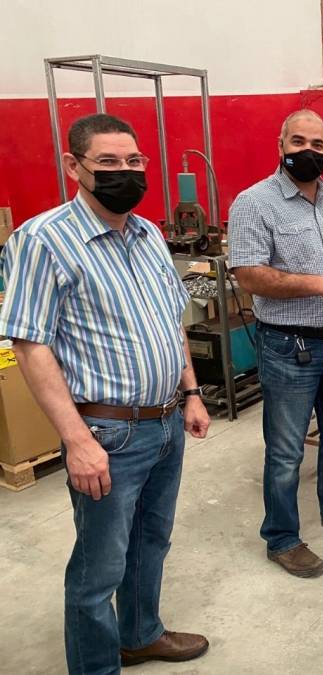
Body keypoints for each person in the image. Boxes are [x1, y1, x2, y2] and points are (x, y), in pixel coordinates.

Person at [0, 113, 211, 673]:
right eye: (109, 162)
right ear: (74, 166)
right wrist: (76, 441)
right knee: (98, 570)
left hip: (166, 422)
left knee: (151, 541)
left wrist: (191, 392)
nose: (126, 172)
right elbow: (31, 346)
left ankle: (140, 634)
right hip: (107, 433)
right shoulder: (42, 240)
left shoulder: (148, 235)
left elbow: (172, 321)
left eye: (134, 161)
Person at [229, 109, 323, 579]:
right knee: (286, 451)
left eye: (318, 144)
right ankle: (281, 538)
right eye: (298, 142)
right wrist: (319, 284)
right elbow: (249, 274)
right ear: (280, 146)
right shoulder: (254, 203)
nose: (308, 151)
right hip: (288, 347)